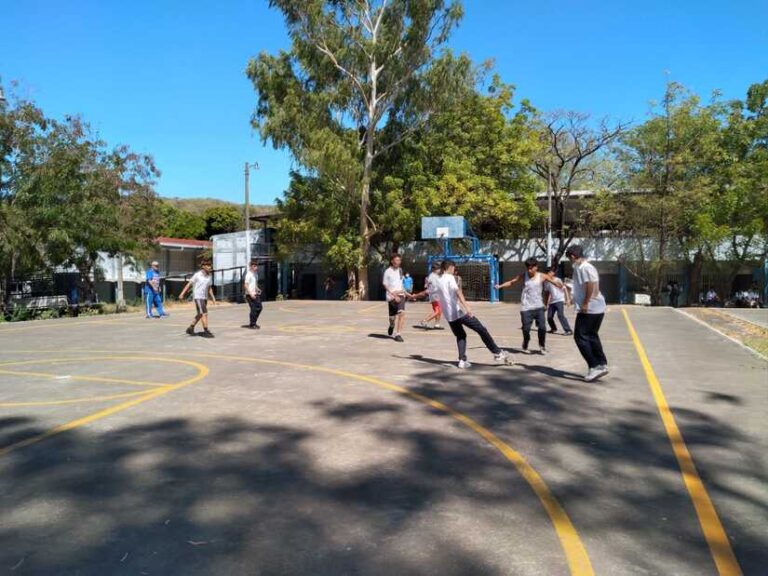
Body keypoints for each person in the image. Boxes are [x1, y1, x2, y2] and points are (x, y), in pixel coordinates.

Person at [436, 260, 509, 368]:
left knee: (461, 335)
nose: (454, 270)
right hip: (458, 312)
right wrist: (467, 307)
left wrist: (413, 296)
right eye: (454, 268)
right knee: (481, 329)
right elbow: (458, 291)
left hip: (449, 315)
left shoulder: (439, 279)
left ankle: (462, 360)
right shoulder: (449, 277)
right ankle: (497, 352)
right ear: (450, 267)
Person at [495, 257, 564, 355]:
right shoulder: (524, 276)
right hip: (526, 308)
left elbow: (554, 282)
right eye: (528, 268)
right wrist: (500, 286)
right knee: (526, 329)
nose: (530, 270)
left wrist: (560, 285)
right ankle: (525, 343)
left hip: (539, 306)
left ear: (536, 267)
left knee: (542, 328)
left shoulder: (542, 276)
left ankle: (542, 346)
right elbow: (512, 282)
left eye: (532, 268)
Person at [566, 245, 608, 382]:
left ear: (572, 256)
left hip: (590, 308)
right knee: (591, 335)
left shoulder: (584, 267)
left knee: (580, 336)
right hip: (596, 307)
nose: (569, 261)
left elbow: (590, 285)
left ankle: (594, 365)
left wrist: (585, 303)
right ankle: (601, 364)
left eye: (569, 258)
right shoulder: (581, 267)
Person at [179, 262, 216, 338]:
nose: (210, 267)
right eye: (208, 266)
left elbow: (209, 288)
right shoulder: (197, 275)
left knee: (200, 314)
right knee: (204, 313)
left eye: (210, 265)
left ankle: (190, 328)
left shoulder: (209, 276)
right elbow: (189, 284)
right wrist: (182, 293)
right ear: (203, 267)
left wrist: (213, 297)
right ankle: (206, 331)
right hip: (198, 297)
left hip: (204, 297)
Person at [382, 254, 407, 342]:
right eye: (396, 260)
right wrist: (394, 295)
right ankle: (392, 325)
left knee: (402, 313)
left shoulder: (400, 270)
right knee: (392, 318)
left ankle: (398, 334)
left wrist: (405, 292)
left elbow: (400, 283)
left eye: (399, 260)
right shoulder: (387, 271)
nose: (398, 262)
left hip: (400, 295)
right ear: (392, 261)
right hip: (391, 297)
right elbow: (385, 284)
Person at [414, 262, 444, 330]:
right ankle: (425, 321)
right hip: (436, 295)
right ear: (435, 269)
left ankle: (437, 324)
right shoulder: (434, 276)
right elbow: (438, 286)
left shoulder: (431, 276)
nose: (439, 270)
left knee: (437, 310)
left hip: (433, 295)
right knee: (438, 311)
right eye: (438, 269)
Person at [544, 267, 572, 335]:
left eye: (549, 272)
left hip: (559, 300)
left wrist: (567, 299)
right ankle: (553, 328)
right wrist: (545, 304)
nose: (547, 274)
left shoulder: (558, 279)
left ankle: (568, 330)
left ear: (553, 273)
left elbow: (564, 288)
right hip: (552, 302)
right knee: (549, 317)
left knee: (560, 315)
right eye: (546, 273)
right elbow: (547, 293)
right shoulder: (546, 282)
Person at [243, 261, 263, 329]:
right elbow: (245, 285)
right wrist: (250, 294)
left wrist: (257, 289)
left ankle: (254, 322)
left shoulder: (255, 274)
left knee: (260, 308)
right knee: (253, 309)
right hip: (249, 295)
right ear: (251, 266)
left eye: (256, 266)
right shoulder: (248, 274)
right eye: (254, 266)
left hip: (255, 293)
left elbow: (254, 284)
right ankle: (252, 324)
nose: (256, 267)